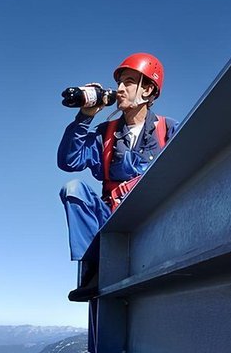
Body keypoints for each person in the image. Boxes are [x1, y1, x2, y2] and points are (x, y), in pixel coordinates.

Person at [57, 53, 178, 301]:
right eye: (119, 82)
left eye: (129, 82)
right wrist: (85, 116)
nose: (120, 89)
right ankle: (94, 269)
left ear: (148, 90)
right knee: (73, 189)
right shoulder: (106, 134)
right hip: (111, 220)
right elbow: (69, 161)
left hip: (152, 219)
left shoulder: (168, 130)